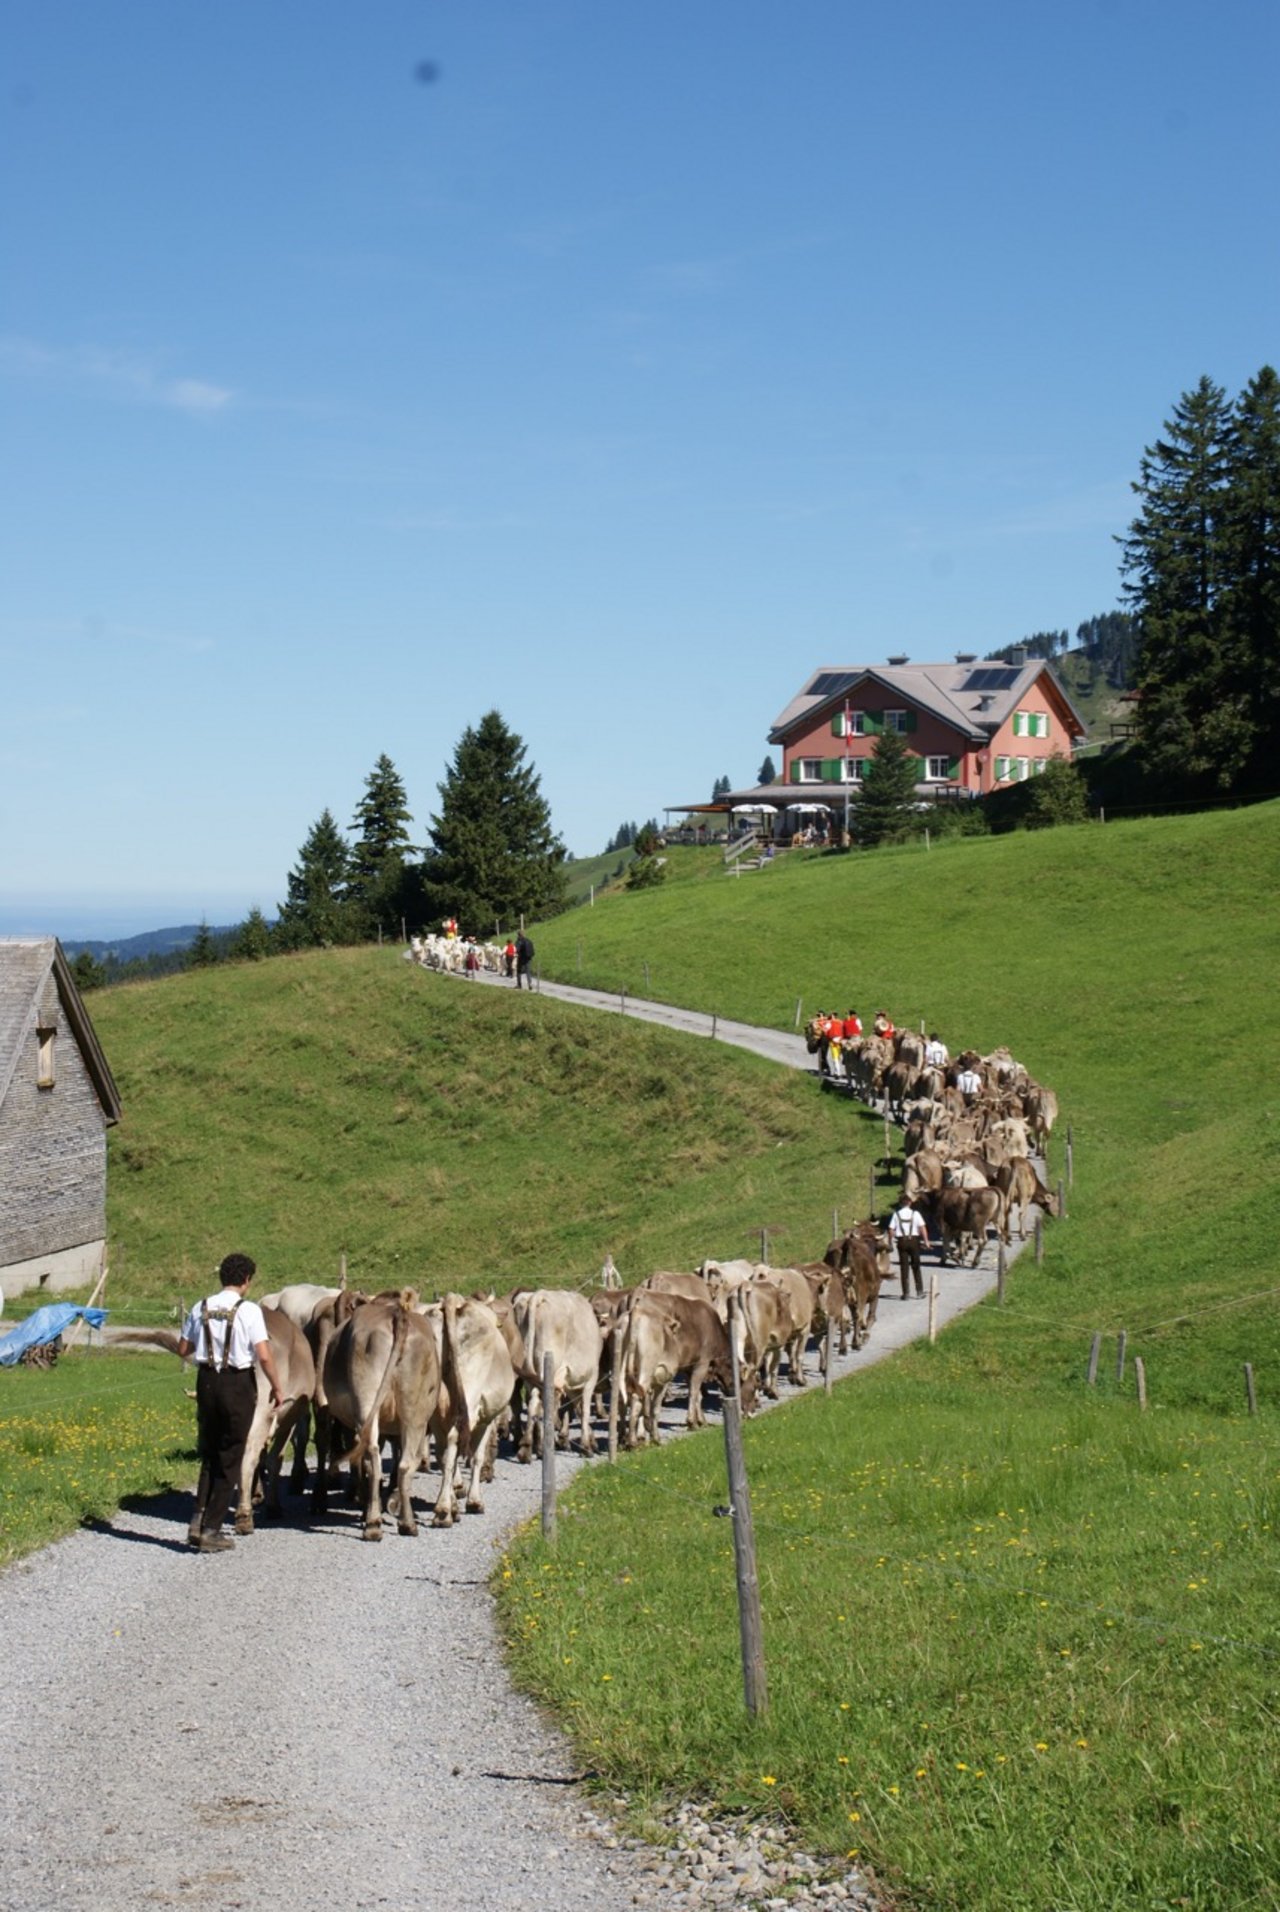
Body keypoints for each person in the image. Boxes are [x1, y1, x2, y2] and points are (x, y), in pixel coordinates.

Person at [176, 1253, 284, 1553]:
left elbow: (183, 1347)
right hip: (237, 1384)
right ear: (246, 1279)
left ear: (222, 1277)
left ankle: (197, 1521)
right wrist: (277, 1387)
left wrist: (207, 1348)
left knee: (210, 1452)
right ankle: (212, 1529)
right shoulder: (249, 1311)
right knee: (231, 1456)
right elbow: (263, 1355)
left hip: (207, 1382)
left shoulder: (201, 1306)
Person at [888, 1195, 929, 1298]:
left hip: (902, 1241)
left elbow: (891, 1230)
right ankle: (919, 1291)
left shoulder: (896, 1215)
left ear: (900, 1203)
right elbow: (922, 1228)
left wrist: (890, 1242)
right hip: (914, 1241)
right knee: (916, 1266)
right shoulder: (915, 1214)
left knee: (904, 1268)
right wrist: (926, 1241)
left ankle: (906, 1293)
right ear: (910, 1203)